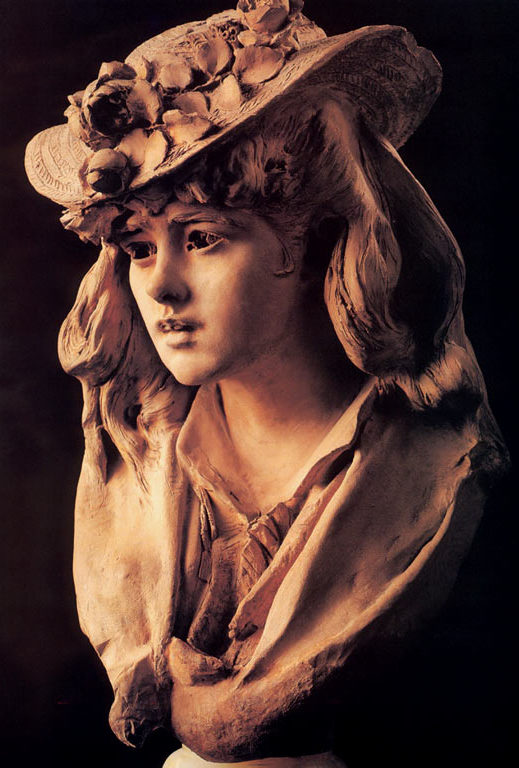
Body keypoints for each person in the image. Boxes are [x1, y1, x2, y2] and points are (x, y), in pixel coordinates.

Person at [24, 2, 507, 765]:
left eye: (202, 238)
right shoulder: (135, 455)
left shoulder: (431, 464)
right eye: (139, 248)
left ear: (316, 242)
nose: (161, 288)